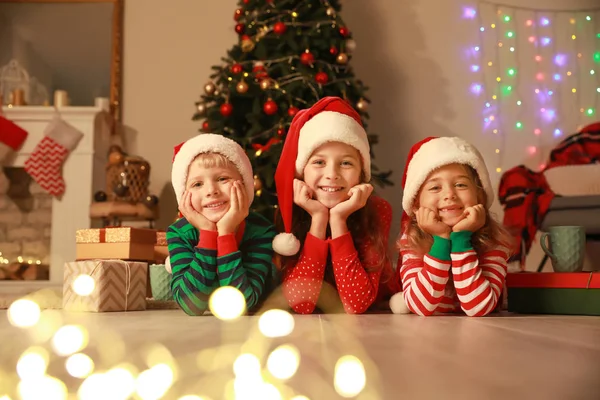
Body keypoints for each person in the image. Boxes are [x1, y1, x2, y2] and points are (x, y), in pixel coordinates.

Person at [273, 96, 397, 314]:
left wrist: (338, 220)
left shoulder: (378, 211)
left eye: (346, 163)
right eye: (319, 162)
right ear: (302, 172)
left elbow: (355, 304)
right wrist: (319, 220)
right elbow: (301, 304)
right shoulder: (290, 212)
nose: (332, 175)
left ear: (361, 174)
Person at [389, 136, 511, 317]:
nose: (449, 194)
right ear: (415, 205)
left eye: (460, 184)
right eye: (435, 188)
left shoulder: (494, 241)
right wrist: (441, 240)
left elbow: (478, 308)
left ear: (480, 197)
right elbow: (422, 307)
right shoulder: (412, 239)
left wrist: (461, 238)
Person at [167, 134, 277, 316]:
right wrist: (208, 234)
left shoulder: (260, 231)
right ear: (184, 195)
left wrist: (225, 234)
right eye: (197, 184)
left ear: (245, 183)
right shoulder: (180, 233)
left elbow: (243, 304)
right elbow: (191, 306)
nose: (211, 191)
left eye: (222, 179)